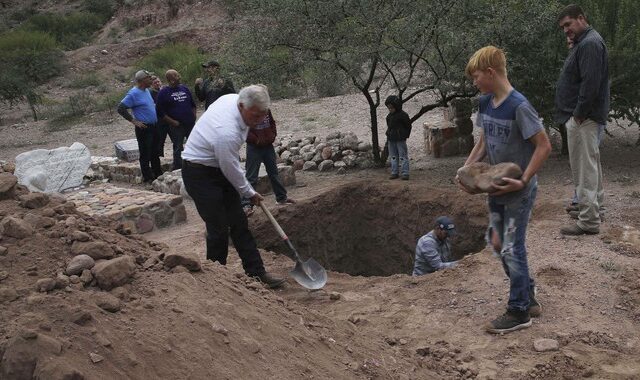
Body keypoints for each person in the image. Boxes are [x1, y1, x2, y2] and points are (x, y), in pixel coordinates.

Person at [457, 46, 551, 334]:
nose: (474, 83)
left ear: (490, 73)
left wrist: (523, 180)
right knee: (498, 243)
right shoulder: (486, 103)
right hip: (495, 188)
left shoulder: (519, 106)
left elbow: (544, 146)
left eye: (476, 77)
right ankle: (528, 294)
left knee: (512, 245)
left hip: (518, 191)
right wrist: (466, 169)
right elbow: (484, 142)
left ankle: (519, 310)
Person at [181, 84, 285, 288]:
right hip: (199, 173)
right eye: (254, 116)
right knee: (218, 227)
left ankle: (256, 273)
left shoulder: (234, 100)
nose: (257, 121)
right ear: (241, 106)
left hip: (218, 166)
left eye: (262, 116)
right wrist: (249, 192)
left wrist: (246, 191)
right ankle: (216, 281)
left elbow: (228, 166)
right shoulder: (225, 131)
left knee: (239, 223)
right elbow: (230, 167)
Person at [555, 4, 609, 236]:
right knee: (591, 165)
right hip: (585, 117)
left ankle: (588, 221)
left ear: (581, 18)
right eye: (563, 27)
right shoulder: (585, 42)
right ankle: (593, 209)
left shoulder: (589, 44)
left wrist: (578, 113)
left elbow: (590, 84)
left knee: (585, 168)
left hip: (583, 118)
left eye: (568, 24)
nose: (566, 30)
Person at [242, 109, 295, 216]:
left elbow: (272, 122)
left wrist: (273, 135)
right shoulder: (248, 111)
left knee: (274, 173)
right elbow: (244, 129)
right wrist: (256, 140)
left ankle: (281, 198)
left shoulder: (266, 109)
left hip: (268, 146)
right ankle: (246, 204)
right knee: (251, 176)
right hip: (254, 147)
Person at [117, 70, 162, 183]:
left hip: (154, 126)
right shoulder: (133, 93)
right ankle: (148, 177)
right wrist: (134, 121)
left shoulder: (147, 90)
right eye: (148, 78)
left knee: (155, 152)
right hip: (144, 128)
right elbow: (121, 108)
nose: (151, 79)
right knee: (145, 153)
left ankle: (158, 173)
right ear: (141, 81)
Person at [156, 69, 197, 170]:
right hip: (177, 125)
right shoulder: (163, 93)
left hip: (190, 123)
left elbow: (193, 104)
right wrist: (172, 122)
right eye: (176, 75)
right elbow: (160, 112)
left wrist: (193, 116)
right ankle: (178, 167)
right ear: (171, 79)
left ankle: (195, 164)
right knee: (178, 147)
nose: (179, 76)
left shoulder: (184, 88)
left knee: (195, 144)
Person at [384, 95, 412, 180]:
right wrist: (389, 134)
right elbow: (389, 126)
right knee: (393, 156)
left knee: (403, 156)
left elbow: (408, 126)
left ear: (396, 106)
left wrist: (405, 136)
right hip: (391, 139)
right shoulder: (389, 116)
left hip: (400, 139)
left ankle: (405, 173)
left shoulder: (403, 115)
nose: (390, 110)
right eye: (389, 108)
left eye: (392, 108)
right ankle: (394, 172)